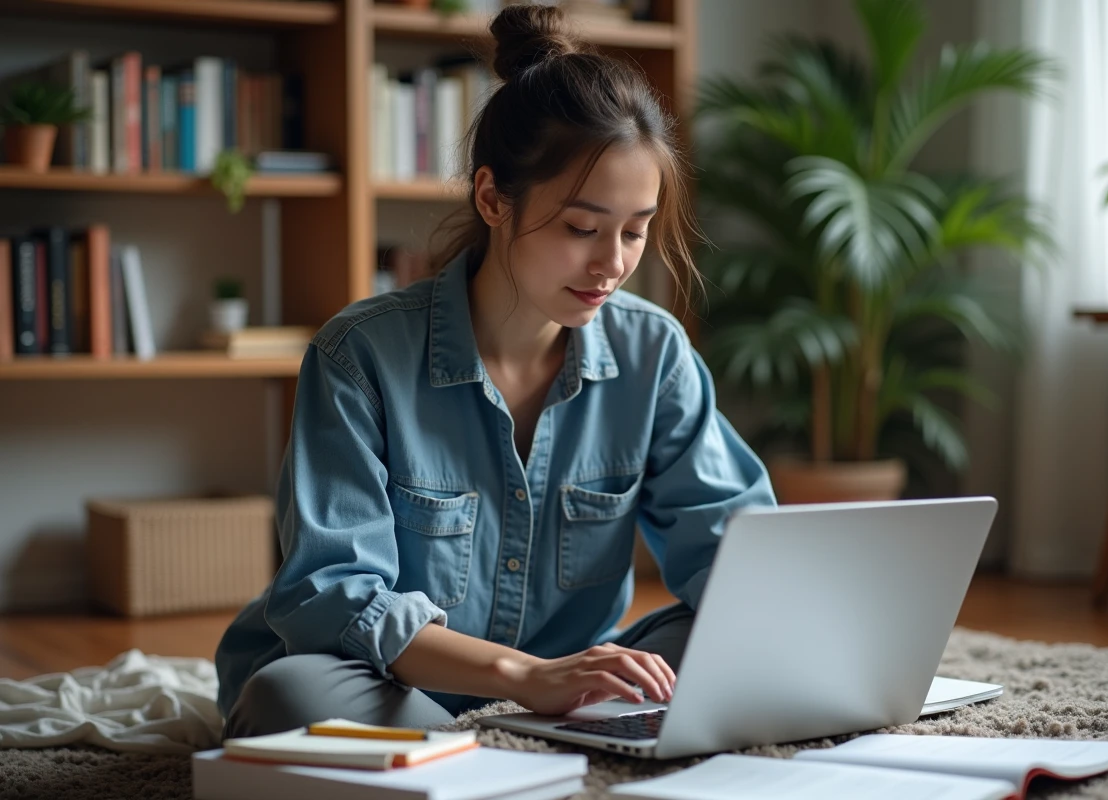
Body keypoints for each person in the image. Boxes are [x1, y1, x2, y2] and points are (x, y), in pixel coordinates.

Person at [215, 4, 775, 738]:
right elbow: (335, 596)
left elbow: (738, 554)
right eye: (582, 228)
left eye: (635, 231)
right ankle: (482, 745)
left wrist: (802, 627)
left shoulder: (654, 354)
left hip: (566, 694)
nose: (613, 264)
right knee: (293, 697)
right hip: (387, 681)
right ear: (492, 198)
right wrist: (524, 678)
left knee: (732, 640)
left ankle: (493, 753)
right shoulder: (359, 357)